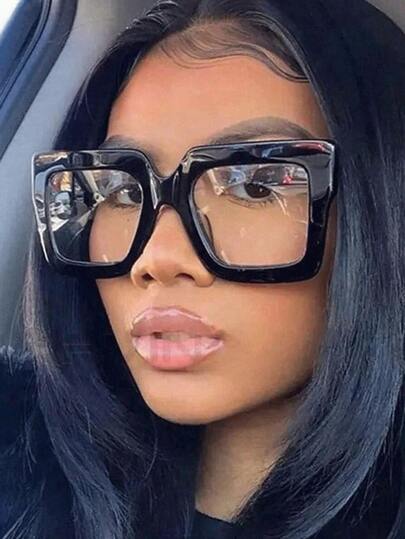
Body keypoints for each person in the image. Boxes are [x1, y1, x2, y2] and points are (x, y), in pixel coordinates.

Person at [1, 0, 404, 537]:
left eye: (254, 186)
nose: (156, 259)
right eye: (122, 190)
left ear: (382, 214)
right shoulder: (19, 455)